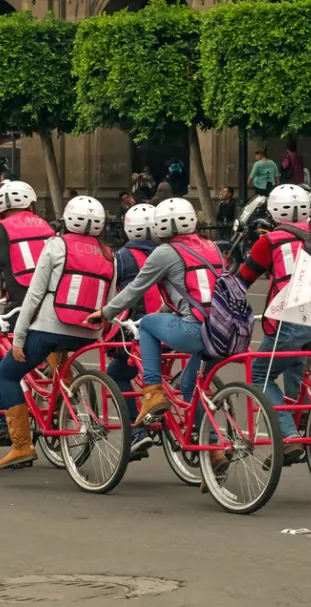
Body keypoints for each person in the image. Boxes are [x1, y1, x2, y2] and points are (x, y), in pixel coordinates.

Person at [89, 198, 229, 477]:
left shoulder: (165, 252)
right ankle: (214, 449)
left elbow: (135, 290)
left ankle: (152, 392)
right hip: (226, 332)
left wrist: (105, 313)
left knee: (149, 324)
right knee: (189, 386)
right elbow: (190, 295)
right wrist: (165, 312)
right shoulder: (211, 247)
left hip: (196, 331)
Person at [0, 195, 115, 470]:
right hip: (88, 333)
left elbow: (35, 294)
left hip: (51, 328)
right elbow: (110, 299)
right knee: (60, 366)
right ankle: (60, 411)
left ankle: (21, 445)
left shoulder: (56, 245)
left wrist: (19, 337)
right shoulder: (110, 254)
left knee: (7, 373)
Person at [237, 184, 311, 464]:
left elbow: (241, 281)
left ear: (273, 212)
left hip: (295, 321)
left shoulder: (271, 240)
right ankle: (301, 421)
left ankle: (289, 437)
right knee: (295, 363)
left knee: (259, 373)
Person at [0, 180, 54, 442]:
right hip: (55, 307)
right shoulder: (47, 227)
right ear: (31, 204)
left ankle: (5, 424)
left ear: (1, 207)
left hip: (19, 308)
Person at [101, 203, 161, 460]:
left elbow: (112, 294)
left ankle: (136, 432)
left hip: (137, 330)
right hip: (172, 327)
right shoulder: (168, 251)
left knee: (117, 374)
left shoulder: (121, 258)